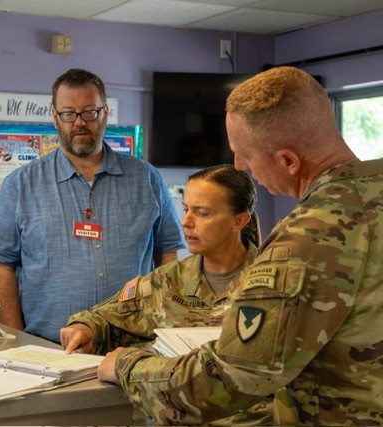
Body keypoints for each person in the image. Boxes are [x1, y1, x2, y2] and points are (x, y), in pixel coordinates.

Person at [96, 66, 383, 426]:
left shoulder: (306, 239)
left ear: (288, 161)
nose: (239, 165)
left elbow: (232, 378)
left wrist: (126, 365)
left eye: (245, 155)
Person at [0, 68, 185, 342]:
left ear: (105, 113)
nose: (79, 123)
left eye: (89, 112)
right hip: (48, 347)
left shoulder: (146, 179)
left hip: (133, 346)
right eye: (68, 114)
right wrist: (17, 340)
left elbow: (166, 254)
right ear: (55, 117)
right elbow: (0, 264)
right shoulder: (21, 184)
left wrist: (163, 325)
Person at [61, 164, 271, 425]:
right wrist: (86, 328)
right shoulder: (168, 280)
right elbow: (106, 317)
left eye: (202, 213)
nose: (186, 222)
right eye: (185, 209)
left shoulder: (272, 285)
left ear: (239, 221)